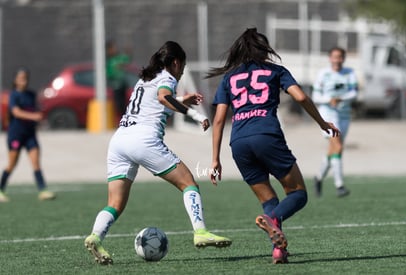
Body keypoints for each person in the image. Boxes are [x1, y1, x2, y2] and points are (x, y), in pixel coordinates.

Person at [84, 41, 232, 265]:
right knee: (188, 183)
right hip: (144, 140)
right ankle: (200, 231)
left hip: (119, 141)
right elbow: (163, 97)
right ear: (175, 63)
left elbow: (156, 101)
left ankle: (95, 237)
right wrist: (196, 115)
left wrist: (181, 100)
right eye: (182, 67)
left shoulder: (145, 79)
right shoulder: (167, 78)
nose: (181, 73)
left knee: (115, 203)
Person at [207, 28, 340, 264]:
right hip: (266, 135)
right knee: (298, 194)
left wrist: (215, 159)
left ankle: (279, 250)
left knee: (269, 201)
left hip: (238, 143)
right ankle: (272, 220)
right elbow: (300, 97)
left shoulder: (229, 77)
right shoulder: (276, 71)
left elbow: (218, 119)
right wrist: (321, 123)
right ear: (265, 49)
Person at [0, 68, 56, 203]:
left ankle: (43, 190)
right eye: (20, 78)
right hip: (16, 135)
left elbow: (38, 110)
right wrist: (33, 116)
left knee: (36, 163)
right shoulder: (14, 95)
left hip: (30, 135)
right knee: (12, 164)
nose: (23, 80)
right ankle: (1, 189)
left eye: (25, 77)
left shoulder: (31, 94)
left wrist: (40, 116)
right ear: (16, 80)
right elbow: (16, 112)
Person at [312, 47, 358, 198]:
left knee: (334, 150)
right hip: (328, 115)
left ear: (343, 59)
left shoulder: (349, 73)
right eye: (334, 57)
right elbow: (316, 96)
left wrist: (341, 99)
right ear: (330, 58)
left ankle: (318, 178)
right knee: (338, 146)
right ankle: (339, 185)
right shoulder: (323, 74)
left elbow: (354, 92)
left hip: (344, 115)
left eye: (340, 57)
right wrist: (329, 100)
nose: (337, 60)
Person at [105, 40, 131, 119]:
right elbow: (108, 73)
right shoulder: (108, 60)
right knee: (119, 105)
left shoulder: (117, 57)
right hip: (115, 87)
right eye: (112, 48)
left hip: (121, 86)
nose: (114, 49)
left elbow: (126, 59)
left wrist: (128, 52)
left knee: (123, 105)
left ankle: (125, 119)